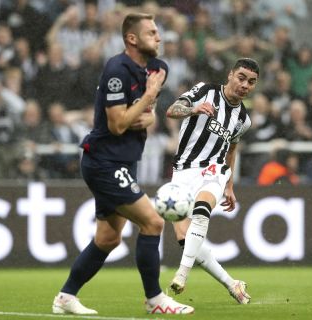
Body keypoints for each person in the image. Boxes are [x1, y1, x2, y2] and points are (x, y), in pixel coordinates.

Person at [52, 13, 194, 315]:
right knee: (153, 222)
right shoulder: (117, 69)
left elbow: (145, 117)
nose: (159, 37)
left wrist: (149, 112)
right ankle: (155, 299)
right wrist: (150, 96)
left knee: (108, 237)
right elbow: (118, 125)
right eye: (152, 32)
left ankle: (66, 296)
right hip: (102, 160)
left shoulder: (159, 68)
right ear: (132, 39)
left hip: (125, 161)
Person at [166, 58, 259, 304]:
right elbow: (172, 110)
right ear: (230, 75)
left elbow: (232, 149)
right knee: (186, 241)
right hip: (183, 171)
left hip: (214, 170)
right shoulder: (205, 91)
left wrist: (229, 184)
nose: (245, 85)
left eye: (251, 82)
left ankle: (181, 275)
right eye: (241, 78)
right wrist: (193, 109)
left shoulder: (243, 119)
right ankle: (232, 284)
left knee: (201, 211)